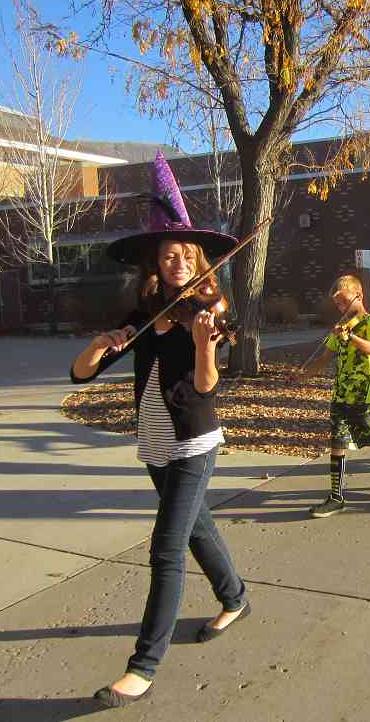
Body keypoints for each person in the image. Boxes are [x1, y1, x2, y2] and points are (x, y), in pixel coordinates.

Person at [71, 153, 249, 707]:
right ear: (156, 262)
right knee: (197, 530)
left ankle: (143, 667)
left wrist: (202, 344)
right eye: (169, 254)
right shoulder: (145, 306)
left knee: (165, 549)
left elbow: (204, 387)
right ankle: (235, 597)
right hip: (154, 441)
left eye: (186, 254)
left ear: (198, 260)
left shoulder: (209, 308)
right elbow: (80, 373)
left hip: (192, 439)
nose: (177, 261)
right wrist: (102, 345)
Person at [300, 275, 370, 517]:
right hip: (341, 394)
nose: (341, 308)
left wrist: (352, 337)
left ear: (358, 296)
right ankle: (336, 497)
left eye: (344, 302)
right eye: (337, 305)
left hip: (364, 393)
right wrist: (303, 376)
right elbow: (323, 358)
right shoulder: (339, 329)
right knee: (337, 442)